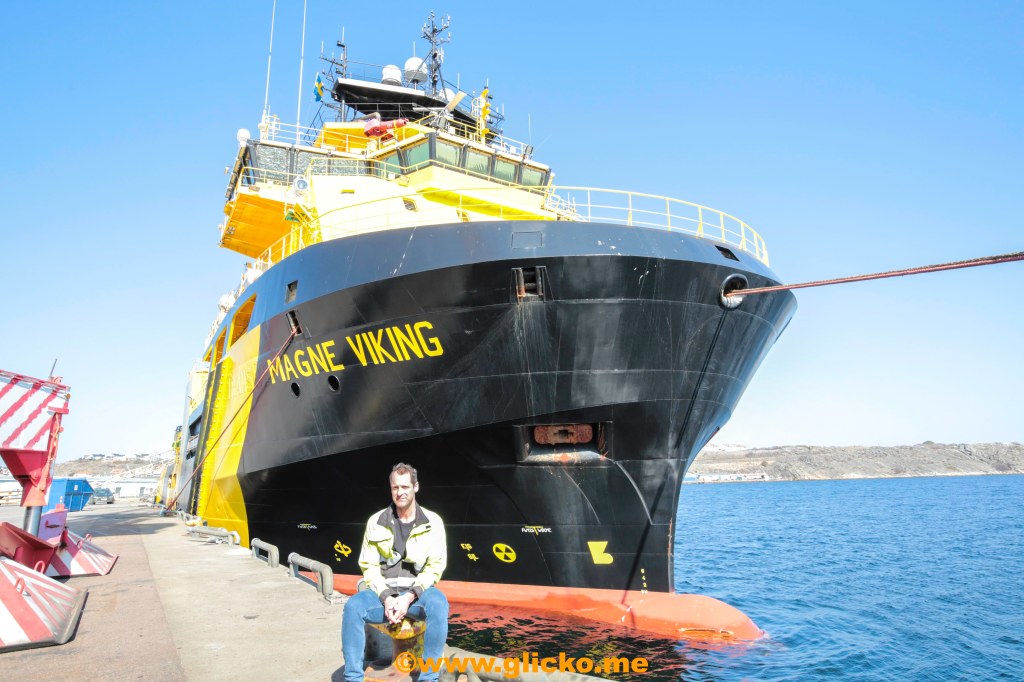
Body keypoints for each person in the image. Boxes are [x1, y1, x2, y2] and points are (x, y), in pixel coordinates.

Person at [342, 463, 448, 681]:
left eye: (405, 487)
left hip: (417, 595)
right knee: (353, 607)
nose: (400, 492)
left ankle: (429, 677)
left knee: (439, 604)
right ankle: (352, 677)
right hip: (383, 594)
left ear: (416, 487)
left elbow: (435, 566)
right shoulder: (376, 522)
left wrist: (409, 597)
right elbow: (369, 566)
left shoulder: (433, 522)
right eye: (395, 487)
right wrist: (387, 598)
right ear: (391, 488)